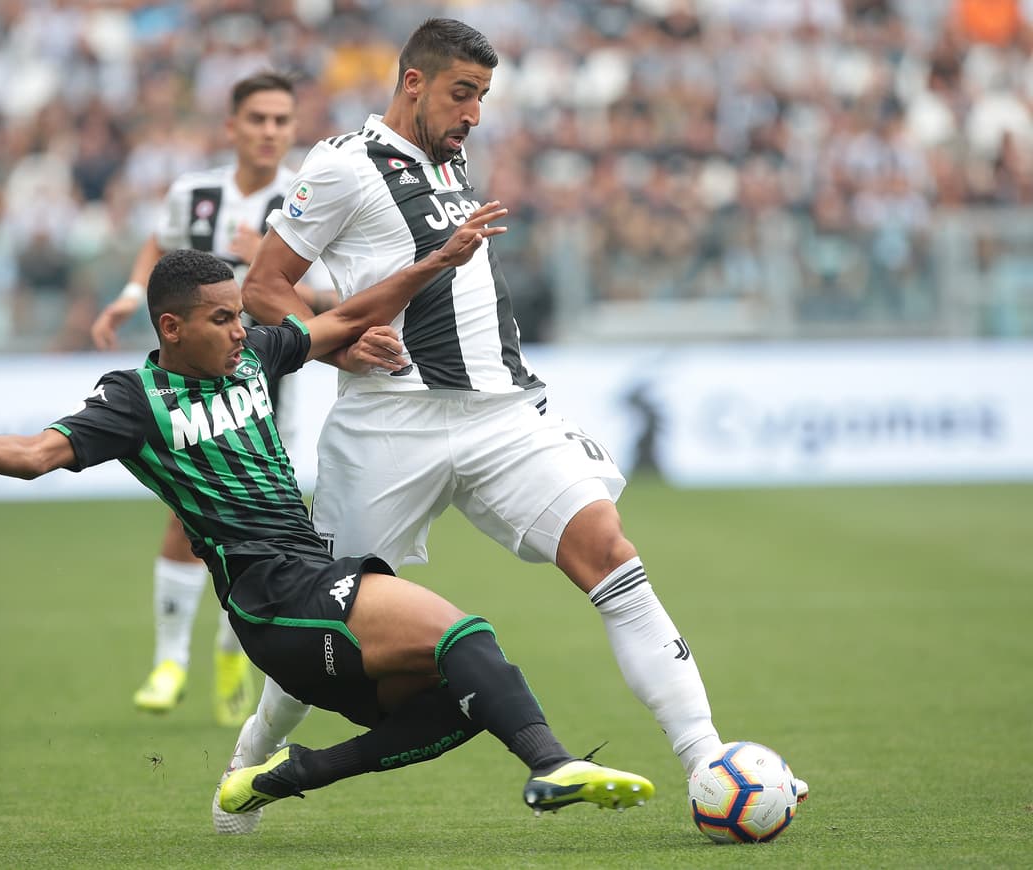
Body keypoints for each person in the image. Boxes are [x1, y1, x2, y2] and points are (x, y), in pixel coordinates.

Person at [224, 16, 808, 833]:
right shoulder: (342, 166)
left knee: (611, 555)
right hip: (389, 426)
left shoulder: (451, 156)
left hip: (504, 413)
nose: (474, 113)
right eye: (463, 94)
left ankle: (705, 759)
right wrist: (340, 350)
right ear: (414, 82)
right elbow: (262, 289)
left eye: (484, 97)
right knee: (334, 616)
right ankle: (250, 761)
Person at [0, 241, 657, 821]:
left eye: (241, 314)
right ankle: (553, 766)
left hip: (309, 584)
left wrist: (434, 264)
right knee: (466, 636)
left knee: (463, 700)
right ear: (171, 327)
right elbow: (39, 455)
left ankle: (290, 774)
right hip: (269, 596)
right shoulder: (135, 400)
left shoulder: (256, 357)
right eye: (222, 318)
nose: (242, 330)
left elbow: (341, 319)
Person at [89, 72, 335, 725]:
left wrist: (266, 272)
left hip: (262, 392)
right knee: (183, 515)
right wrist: (127, 293)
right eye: (257, 118)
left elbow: (324, 310)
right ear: (232, 126)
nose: (270, 131)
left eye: (282, 120)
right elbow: (157, 246)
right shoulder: (193, 195)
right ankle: (170, 659)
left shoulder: (306, 203)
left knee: (253, 525)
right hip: (185, 390)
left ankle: (231, 652)